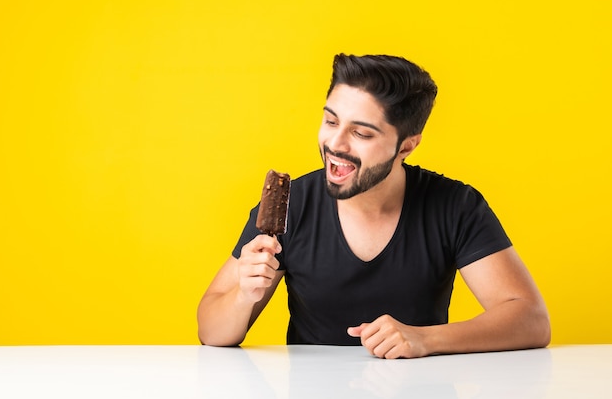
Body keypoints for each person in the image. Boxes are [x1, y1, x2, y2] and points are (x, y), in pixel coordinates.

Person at [197, 54, 551, 359]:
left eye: (361, 133)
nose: (335, 143)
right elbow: (210, 331)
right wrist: (244, 295)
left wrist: (425, 339)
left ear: (406, 146)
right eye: (331, 121)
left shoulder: (454, 205)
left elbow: (530, 319)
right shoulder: (293, 205)